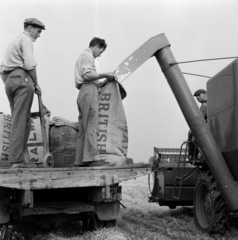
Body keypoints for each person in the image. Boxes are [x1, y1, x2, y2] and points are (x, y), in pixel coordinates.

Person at [0, 18, 45, 168]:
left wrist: (11, 82)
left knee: (21, 120)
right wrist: (36, 83)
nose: (39, 35)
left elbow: (2, 69)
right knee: (21, 121)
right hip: (21, 79)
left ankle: (20, 158)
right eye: (38, 31)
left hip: (10, 81)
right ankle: (17, 161)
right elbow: (30, 64)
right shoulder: (26, 40)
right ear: (30, 28)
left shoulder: (14, 41)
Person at [74, 37, 115, 166]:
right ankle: (90, 159)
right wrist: (105, 75)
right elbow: (87, 76)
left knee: (83, 128)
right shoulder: (88, 56)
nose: (99, 55)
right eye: (100, 52)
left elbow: (89, 77)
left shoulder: (83, 56)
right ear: (96, 46)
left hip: (84, 92)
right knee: (91, 125)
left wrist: (101, 82)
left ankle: (79, 161)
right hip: (88, 91)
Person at [188, 89, 208, 160]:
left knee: (190, 134)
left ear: (205, 94)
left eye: (199, 95)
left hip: (206, 128)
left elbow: (199, 119)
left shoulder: (205, 105)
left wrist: (194, 135)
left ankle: (192, 156)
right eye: (196, 96)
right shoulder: (209, 103)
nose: (197, 97)